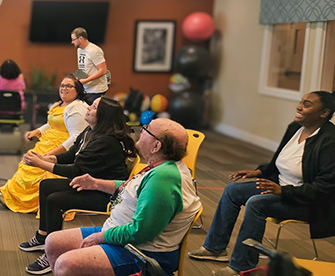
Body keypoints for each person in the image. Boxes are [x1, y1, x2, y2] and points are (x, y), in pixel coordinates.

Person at [188, 91, 335, 276]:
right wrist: (259, 172)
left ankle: (242, 266)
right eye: (300, 102)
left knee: (256, 203)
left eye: (306, 104)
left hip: (306, 202)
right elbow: (281, 161)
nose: (299, 107)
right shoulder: (295, 128)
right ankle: (215, 248)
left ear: (324, 113)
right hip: (279, 187)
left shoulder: (329, 141)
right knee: (232, 191)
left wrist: (283, 191)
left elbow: (325, 188)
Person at [44, 118, 200, 276]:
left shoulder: (164, 178)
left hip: (142, 252)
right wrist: (96, 183)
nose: (141, 130)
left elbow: (141, 232)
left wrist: (101, 237)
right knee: (53, 242)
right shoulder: (161, 166)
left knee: (66, 264)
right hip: (122, 233)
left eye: (147, 129)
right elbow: (135, 187)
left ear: (156, 146)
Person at [19, 97, 137, 274]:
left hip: (106, 193)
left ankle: (50, 253)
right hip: (88, 184)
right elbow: (73, 154)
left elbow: (76, 170)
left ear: (104, 116)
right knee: (46, 185)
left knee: (55, 200)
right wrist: (48, 158)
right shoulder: (90, 131)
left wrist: (40, 164)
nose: (88, 108)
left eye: (95, 107)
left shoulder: (106, 142)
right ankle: (43, 236)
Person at [0, 74, 89, 213]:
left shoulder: (76, 108)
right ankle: (9, 193)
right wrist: (37, 131)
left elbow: (76, 137)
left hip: (62, 147)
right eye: (62, 85)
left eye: (69, 86)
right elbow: (53, 123)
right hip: (48, 141)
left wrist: (51, 153)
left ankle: (28, 201)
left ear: (78, 90)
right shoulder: (60, 104)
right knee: (27, 165)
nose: (64, 88)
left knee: (39, 170)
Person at [71, 27, 108, 105]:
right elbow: (83, 68)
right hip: (86, 88)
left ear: (80, 38)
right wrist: (75, 79)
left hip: (96, 90)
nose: (72, 42)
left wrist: (85, 81)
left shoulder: (94, 50)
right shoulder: (79, 50)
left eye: (74, 39)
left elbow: (103, 70)